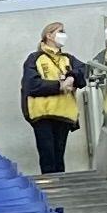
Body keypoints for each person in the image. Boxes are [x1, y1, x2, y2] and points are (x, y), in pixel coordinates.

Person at [21, 21, 86, 174]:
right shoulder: (35, 58)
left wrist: (71, 77)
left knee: (59, 155)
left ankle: (61, 185)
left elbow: (84, 70)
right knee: (47, 155)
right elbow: (32, 85)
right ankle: (51, 185)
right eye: (60, 31)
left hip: (64, 113)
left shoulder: (67, 58)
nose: (64, 35)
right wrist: (59, 86)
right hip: (42, 114)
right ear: (49, 36)